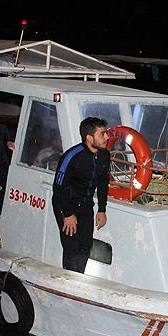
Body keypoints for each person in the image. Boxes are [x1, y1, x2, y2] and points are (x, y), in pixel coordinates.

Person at [51, 117, 110, 273]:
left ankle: (79, 277)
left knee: (85, 245)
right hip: (66, 204)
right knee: (71, 246)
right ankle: (68, 281)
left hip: (86, 204)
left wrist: (102, 209)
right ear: (89, 138)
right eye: (102, 134)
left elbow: (103, 182)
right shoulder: (71, 156)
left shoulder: (104, 155)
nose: (107, 137)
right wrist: (68, 214)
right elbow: (58, 187)